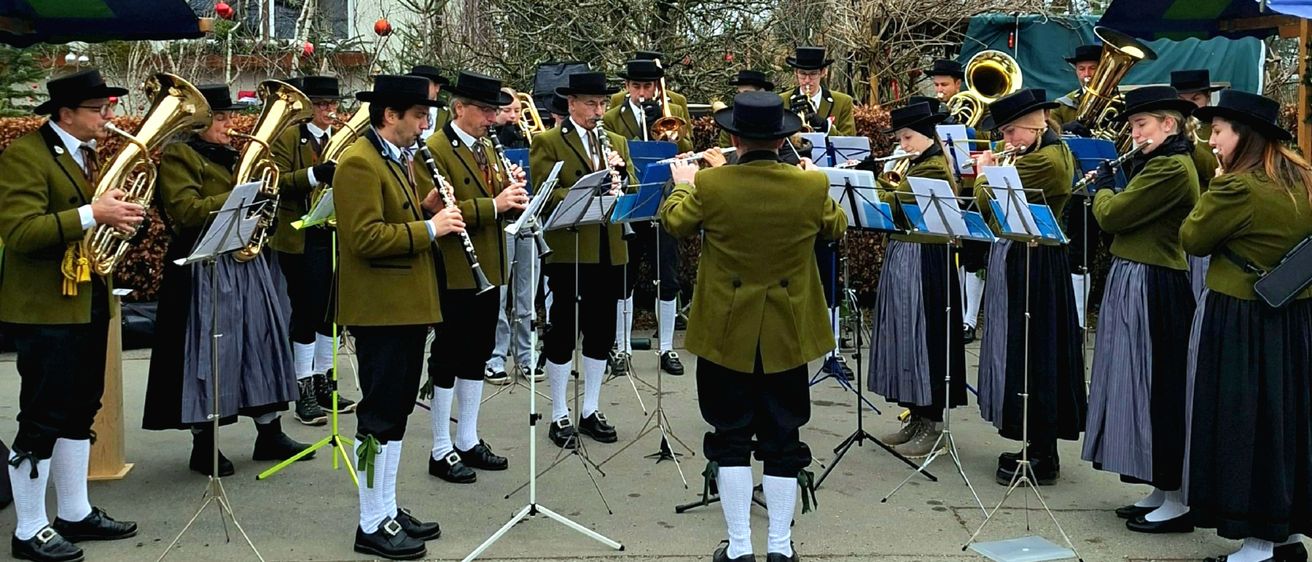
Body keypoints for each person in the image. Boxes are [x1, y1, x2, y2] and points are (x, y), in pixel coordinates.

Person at [663, 90, 846, 562]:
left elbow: (675, 223)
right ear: (781, 139)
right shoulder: (810, 186)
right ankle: (781, 549)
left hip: (727, 333)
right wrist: (812, 177)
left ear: (734, 138)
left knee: (731, 437)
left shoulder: (712, 185)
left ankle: (740, 547)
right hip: (787, 332)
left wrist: (684, 181)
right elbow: (837, 228)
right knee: (783, 438)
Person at [0, 68, 140, 562]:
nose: (109, 117)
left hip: (87, 296)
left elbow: (93, 223)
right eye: (99, 110)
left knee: (82, 407)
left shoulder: (85, 155)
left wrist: (120, 218)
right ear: (65, 114)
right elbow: (20, 232)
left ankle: (75, 511)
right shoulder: (25, 157)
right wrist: (93, 214)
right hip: (45, 307)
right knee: (43, 415)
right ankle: (29, 528)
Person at [143, 84, 308, 477]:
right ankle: (204, 444)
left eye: (230, 116)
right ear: (197, 123)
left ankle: (270, 432)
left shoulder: (235, 155)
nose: (229, 124)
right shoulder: (180, 155)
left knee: (261, 343)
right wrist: (238, 196)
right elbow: (185, 211)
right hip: (205, 267)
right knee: (210, 353)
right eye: (220, 118)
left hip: (247, 263)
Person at [1183, 90, 1312, 562]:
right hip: (1292, 317)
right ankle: (1286, 538)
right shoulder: (1302, 179)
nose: (1212, 141)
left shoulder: (1237, 187)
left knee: (1244, 425)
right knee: (1283, 424)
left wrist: (1216, 183)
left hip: (1241, 318)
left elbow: (1193, 238)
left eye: (1218, 132)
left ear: (1245, 137)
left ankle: (1258, 545)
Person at [335, 75, 458, 559]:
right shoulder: (358, 163)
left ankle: (385, 506)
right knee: (377, 414)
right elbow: (364, 237)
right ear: (390, 116)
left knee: (398, 411)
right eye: (419, 117)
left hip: (406, 306)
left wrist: (424, 207)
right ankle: (369, 522)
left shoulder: (396, 159)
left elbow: (394, 219)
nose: (425, 126)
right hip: (380, 309)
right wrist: (430, 227)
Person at [1078, 86, 1199, 533]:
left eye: (1141, 126)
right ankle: (1161, 487)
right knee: (1138, 386)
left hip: (1156, 283)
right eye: (1132, 126)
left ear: (1169, 124)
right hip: (1137, 276)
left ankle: (1179, 498)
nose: (1134, 135)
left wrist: (1105, 188)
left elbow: (1113, 216)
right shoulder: (1156, 163)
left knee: (1159, 389)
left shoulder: (1170, 167)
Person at [973, 88, 1086, 485]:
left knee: (1036, 350)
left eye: (1011, 132)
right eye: (1004, 134)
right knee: (1024, 349)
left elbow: (987, 204)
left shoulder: (1047, 160)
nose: (1008, 142)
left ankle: (1043, 451)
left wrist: (985, 174)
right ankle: (1035, 443)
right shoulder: (1033, 153)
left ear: (1038, 123)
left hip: (1038, 260)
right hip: (1023, 255)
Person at [423, 71, 529, 484]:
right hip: (455, 268)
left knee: (478, 352)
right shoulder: (436, 148)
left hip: (490, 263)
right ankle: (439, 447)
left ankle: (466, 438)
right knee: (449, 355)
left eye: (493, 111)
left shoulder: (488, 145)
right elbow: (437, 210)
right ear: (459, 108)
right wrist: (496, 203)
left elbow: (501, 198)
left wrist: (514, 197)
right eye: (484, 110)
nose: (491, 118)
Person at [530, 71, 635, 448]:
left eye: (602, 103)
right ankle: (559, 411)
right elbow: (545, 192)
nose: (598, 110)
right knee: (564, 329)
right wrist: (588, 187)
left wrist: (621, 176)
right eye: (590, 103)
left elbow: (634, 190)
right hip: (573, 247)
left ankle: (590, 408)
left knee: (601, 329)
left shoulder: (617, 140)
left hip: (609, 245)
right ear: (571, 104)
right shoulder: (548, 141)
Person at [867, 102, 968, 459]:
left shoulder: (935, 169)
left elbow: (896, 206)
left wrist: (867, 180)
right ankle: (917, 418)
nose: (903, 144)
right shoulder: (919, 163)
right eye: (900, 138)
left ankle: (932, 423)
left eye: (907, 138)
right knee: (906, 337)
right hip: (907, 253)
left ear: (926, 135)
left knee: (925, 337)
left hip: (926, 259)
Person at [269, 74, 357, 425]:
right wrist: (314, 174)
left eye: (332, 105)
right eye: (321, 105)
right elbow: (275, 181)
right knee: (306, 312)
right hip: (298, 235)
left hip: (332, 233)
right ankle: (302, 386)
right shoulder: (289, 136)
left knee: (331, 312)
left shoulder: (340, 138)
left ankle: (324, 380)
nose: (328, 111)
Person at [605, 59, 688, 378]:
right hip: (630, 202)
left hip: (664, 201)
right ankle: (622, 347)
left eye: (648, 87)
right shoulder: (613, 117)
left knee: (667, 277)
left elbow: (689, 149)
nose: (642, 93)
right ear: (627, 87)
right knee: (624, 277)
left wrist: (668, 139)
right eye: (636, 87)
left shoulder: (673, 111)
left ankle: (666, 346)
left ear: (656, 87)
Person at [485, 86, 542, 385]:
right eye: (506, 111)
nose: (513, 117)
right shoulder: (488, 141)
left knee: (526, 291)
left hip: (527, 215)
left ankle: (526, 353)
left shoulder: (527, 138)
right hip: (500, 221)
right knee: (500, 292)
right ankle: (495, 355)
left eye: (517, 111)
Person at [1170, 68, 1226, 301]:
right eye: (1183, 101)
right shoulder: (1169, 125)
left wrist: (1189, 143)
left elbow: (1213, 169)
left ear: (1207, 98)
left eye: (1196, 99)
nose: (1191, 107)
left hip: (1201, 212)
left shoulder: (1211, 129)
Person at [780, 46, 856, 136]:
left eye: (813, 74)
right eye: (802, 73)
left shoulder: (843, 102)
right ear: (796, 72)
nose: (807, 80)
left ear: (823, 72)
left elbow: (849, 141)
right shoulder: (781, 100)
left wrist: (825, 126)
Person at [717, 70, 775, 149]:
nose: (741, 97)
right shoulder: (730, 121)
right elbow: (724, 150)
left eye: (747, 93)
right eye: (739, 93)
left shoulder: (775, 119)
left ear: (762, 92)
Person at [1050, 44, 1101, 127]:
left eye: (1092, 68)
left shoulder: (1118, 103)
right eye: (1081, 69)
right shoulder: (1061, 105)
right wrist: (1064, 128)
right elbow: (1048, 136)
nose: (1087, 74)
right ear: (1076, 71)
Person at [407, 65, 451, 139]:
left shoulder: (449, 116)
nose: (420, 88)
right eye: (416, 84)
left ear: (437, 87)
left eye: (425, 84)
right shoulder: (404, 111)